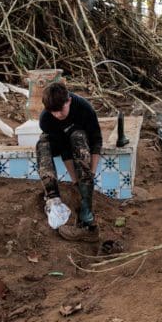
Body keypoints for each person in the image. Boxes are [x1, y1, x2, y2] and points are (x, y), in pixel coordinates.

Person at [36, 82, 102, 241]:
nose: (58, 115)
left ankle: (87, 224)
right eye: (53, 112)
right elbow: (64, 149)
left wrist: (90, 173)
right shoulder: (46, 119)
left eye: (61, 110)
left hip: (81, 141)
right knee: (42, 143)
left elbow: (96, 141)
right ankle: (53, 200)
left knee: (77, 135)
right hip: (61, 143)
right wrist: (74, 181)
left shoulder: (84, 108)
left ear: (69, 101)